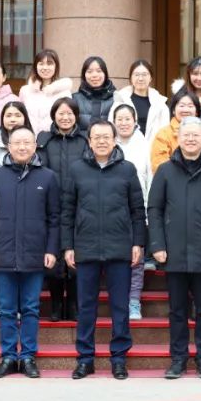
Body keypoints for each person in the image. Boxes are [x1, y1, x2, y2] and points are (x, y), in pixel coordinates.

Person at [148, 117, 201, 379]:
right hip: (173, 252)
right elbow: (154, 209)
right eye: (186, 135)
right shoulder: (165, 170)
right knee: (177, 311)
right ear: (179, 138)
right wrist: (157, 244)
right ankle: (178, 359)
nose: (191, 139)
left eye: (196, 135)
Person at [63, 120, 146, 381]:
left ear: (114, 140)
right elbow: (67, 211)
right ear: (89, 141)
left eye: (106, 137)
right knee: (86, 307)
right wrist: (68, 246)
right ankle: (85, 359)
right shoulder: (77, 169)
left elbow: (137, 210)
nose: (101, 141)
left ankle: (119, 359)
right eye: (96, 137)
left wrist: (138, 243)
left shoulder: (127, 169)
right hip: (85, 247)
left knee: (120, 307)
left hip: (119, 247)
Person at [0, 128, 59, 379]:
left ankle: (28, 357)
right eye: (17, 143)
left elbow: (54, 218)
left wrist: (52, 249)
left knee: (31, 308)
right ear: (8, 146)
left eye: (27, 143)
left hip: (35, 253)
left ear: (35, 146)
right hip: (3, 254)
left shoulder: (48, 177)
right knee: (6, 309)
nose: (22, 147)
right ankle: (8, 357)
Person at [36, 97, 88, 322]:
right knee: (54, 256)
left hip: (79, 204)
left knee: (76, 257)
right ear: (53, 116)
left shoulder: (85, 139)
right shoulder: (44, 139)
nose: (65, 117)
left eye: (70, 113)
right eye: (61, 113)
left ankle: (74, 304)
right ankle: (56, 303)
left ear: (76, 116)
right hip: (51, 204)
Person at [112, 104, 152, 321]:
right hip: (111, 209)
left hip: (137, 206)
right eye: (119, 119)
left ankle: (134, 301)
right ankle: (118, 301)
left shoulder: (144, 144)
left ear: (135, 121)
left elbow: (150, 176)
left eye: (128, 118)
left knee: (137, 257)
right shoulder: (108, 142)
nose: (124, 123)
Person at [151, 88, 201, 173]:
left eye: (190, 106)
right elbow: (159, 166)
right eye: (181, 106)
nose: (186, 110)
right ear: (173, 110)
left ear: (196, 111)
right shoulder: (163, 134)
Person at [19, 49, 74, 136]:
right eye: (41, 64)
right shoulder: (25, 91)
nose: (45, 68)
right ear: (36, 66)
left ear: (56, 67)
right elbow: (20, 116)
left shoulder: (64, 92)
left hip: (54, 140)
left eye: (49, 64)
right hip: (28, 140)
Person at [112, 59, 169, 142]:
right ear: (131, 78)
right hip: (125, 148)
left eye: (144, 75)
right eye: (136, 75)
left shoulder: (160, 103)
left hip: (152, 148)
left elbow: (165, 132)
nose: (140, 78)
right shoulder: (121, 100)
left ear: (150, 78)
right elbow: (112, 128)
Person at [74, 55, 118, 131]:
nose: (94, 75)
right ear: (84, 75)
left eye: (99, 71)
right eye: (89, 71)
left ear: (105, 74)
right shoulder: (75, 99)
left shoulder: (116, 99)